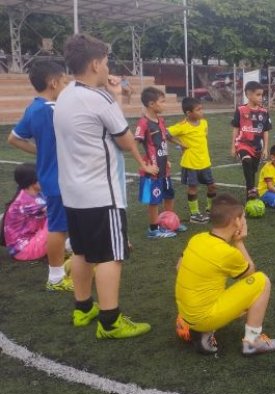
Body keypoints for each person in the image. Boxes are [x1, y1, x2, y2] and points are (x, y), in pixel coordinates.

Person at [54, 33, 158, 339]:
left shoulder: (66, 94)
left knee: (84, 252)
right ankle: (110, 321)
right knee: (111, 255)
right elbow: (125, 140)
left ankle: (83, 308)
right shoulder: (97, 98)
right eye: (107, 61)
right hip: (101, 192)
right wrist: (113, 96)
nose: (108, 66)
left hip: (73, 190)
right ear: (96, 63)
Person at [175, 193, 275, 356]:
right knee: (262, 282)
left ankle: (203, 333)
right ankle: (252, 342)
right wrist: (239, 242)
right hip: (203, 317)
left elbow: (179, 267)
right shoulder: (228, 253)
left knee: (216, 292)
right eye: (243, 218)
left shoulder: (197, 238)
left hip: (186, 315)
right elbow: (250, 274)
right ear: (237, 221)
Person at [7, 61, 72, 290]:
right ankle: (55, 277)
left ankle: (71, 256)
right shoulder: (51, 109)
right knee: (57, 227)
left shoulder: (33, 108)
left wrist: (40, 150)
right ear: (53, 82)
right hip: (60, 178)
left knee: (63, 222)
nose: (66, 86)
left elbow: (13, 138)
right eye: (64, 81)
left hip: (50, 176)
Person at [135, 87, 187, 239]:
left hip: (164, 168)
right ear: (151, 104)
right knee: (154, 199)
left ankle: (170, 223)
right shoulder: (143, 123)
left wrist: (178, 145)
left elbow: (164, 138)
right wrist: (144, 166)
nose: (165, 105)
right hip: (153, 170)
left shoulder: (160, 121)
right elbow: (134, 144)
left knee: (169, 195)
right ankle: (153, 229)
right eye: (162, 102)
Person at [2, 164, 64, 276]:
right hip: (23, 251)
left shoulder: (32, 194)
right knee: (57, 220)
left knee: (55, 217)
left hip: (24, 242)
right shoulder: (28, 202)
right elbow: (57, 209)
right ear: (32, 182)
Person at [168, 97, 216, 223]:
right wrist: (180, 144)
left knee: (212, 186)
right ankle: (194, 214)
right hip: (190, 164)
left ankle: (210, 210)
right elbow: (166, 133)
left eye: (201, 109)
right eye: (198, 110)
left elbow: (204, 138)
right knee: (193, 188)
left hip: (205, 162)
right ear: (189, 113)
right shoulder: (182, 126)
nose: (202, 112)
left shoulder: (204, 123)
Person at [231, 81, 271, 201]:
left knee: (252, 171)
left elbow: (266, 131)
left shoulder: (264, 112)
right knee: (247, 162)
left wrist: (265, 148)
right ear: (248, 94)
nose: (261, 97)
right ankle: (251, 190)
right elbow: (235, 128)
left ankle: (250, 192)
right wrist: (233, 146)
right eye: (258, 95)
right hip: (243, 143)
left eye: (262, 95)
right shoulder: (241, 110)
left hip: (257, 146)